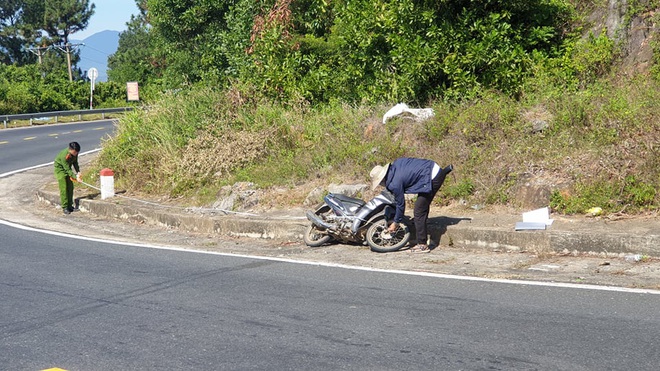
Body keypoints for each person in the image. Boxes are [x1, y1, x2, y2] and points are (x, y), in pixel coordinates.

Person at [370, 157, 452, 253]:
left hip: (432, 177)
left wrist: (396, 223)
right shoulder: (396, 164)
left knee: (419, 211)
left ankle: (422, 245)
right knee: (422, 206)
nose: (381, 185)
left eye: (380, 183)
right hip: (431, 168)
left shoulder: (394, 183)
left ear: (383, 178)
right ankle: (420, 224)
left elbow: (401, 204)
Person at [54, 142, 82, 214]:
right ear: (70, 150)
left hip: (67, 168)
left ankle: (70, 205)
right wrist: (75, 177)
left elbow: (75, 163)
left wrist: (78, 172)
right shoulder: (64, 155)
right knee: (64, 188)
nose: (76, 154)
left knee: (70, 187)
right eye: (75, 152)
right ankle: (65, 207)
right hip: (60, 170)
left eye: (77, 152)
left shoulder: (75, 153)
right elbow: (67, 169)